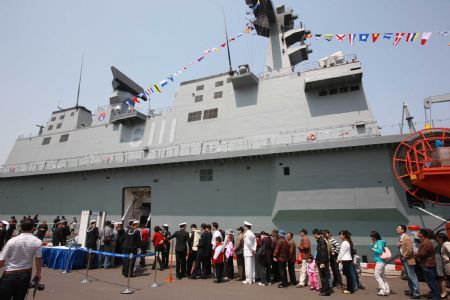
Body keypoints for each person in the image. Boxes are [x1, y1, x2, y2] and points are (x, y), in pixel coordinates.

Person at [0, 218, 42, 300]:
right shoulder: (37, 241)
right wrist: (38, 273)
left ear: (21, 228)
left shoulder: (12, 241)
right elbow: (38, 259)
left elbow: (2, 260)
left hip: (10, 274)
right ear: (33, 228)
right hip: (26, 274)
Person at [396, 224, 420, 299]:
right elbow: (403, 248)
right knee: (408, 277)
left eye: (398, 228)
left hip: (408, 259)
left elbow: (409, 250)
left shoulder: (407, 238)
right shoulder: (400, 238)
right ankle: (412, 291)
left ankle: (417, 293)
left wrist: (404, 257)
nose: (397, 229)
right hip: (404, 259)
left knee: (412, 276)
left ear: (403, 230)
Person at [415, 229, 440, 300]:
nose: (417, 233)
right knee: (430, 281)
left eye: (418, 232)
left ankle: (436, 297)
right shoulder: (425, 241)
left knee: (432, 282)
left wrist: (415, 254)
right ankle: (434, 295)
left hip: (428, 264)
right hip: (426, 264)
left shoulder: (426, 242)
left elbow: (422, 253)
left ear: (422, 234)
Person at [370, 230, 390, 296]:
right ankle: (387, 290)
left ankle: (383, 290)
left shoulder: (379, 242)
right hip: (381, 261)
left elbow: (380, 251)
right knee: (382, 275)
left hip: (380, 260)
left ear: (375, 236)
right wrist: (372, 244)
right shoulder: (378, 242)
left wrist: (373, 249)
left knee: (376, 275)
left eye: (372, 237)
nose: (371, 238)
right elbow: (373, 250)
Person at [313, 228, 332, 296]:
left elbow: (323, 252)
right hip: (322, 261)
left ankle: (326, 291)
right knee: (324, 276)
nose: (314, 236)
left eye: (314, 235)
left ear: (315, 234)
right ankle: (325, 289)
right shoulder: (321, 240)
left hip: (322, 261)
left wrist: (322, 262)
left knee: (323, 277)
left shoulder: (321, 241)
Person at [337, 230, 355, 294]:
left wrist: (338, 259)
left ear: (344, 235)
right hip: (348, 259)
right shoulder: (347, 242)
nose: (340, 236)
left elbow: (342, 252)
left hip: (346, 259)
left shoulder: (345, 242)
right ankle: (350, 288)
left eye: (341, 235)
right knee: (348, 275)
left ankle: (349, 289)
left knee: (348, 275)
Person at [436, 232, 450, 299]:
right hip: (446, 264)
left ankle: (445, 293)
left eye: (438, 239)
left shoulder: (446, 243)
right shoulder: (444, 244)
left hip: (448, 264)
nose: (437, 240)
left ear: (441, 238)